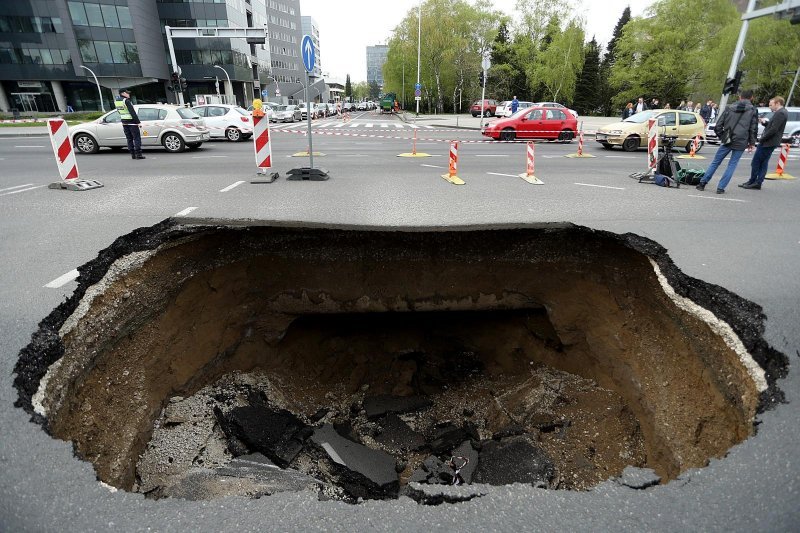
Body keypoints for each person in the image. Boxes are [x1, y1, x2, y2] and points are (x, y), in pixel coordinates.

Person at [696, 89, 757, 194]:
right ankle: (721, 188)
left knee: (715, 162)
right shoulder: (753, 110)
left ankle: (702, 183)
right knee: (732, 164)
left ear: (740, 97)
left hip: (728, 138)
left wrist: (723, 136)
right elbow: (753, 128)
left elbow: (718, 125)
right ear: (752, 98)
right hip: (741, 140)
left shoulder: (730, 107)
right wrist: (752, 143)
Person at [740, 96, 788, 190]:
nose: (770, 106)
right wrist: (765, 123)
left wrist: (761, 139)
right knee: (762, 162)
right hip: (770, 142)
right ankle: (754, 181)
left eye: (771, 105)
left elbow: (774, 129)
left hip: (768, 142)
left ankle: (755, 182)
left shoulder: (781, 113)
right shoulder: (781, 112)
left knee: (756, 162)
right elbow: (773, 126)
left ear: (777, 103)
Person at [115, 88, 144, 159]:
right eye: (127, 93)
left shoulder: (116, 101)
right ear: (123, 93)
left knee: (129, 139)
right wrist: (138, 122)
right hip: (132, 122)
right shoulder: (126, 101)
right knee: (136, 138)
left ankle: (132, 154)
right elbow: (132, 112)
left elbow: (119, 111)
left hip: (124, 122)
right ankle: (138, 154)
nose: (128, 94)